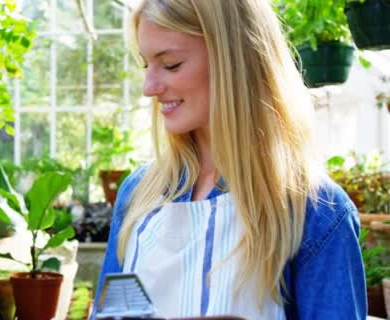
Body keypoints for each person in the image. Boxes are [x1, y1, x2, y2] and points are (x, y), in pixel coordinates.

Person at [93, 0, 366, 319]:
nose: (149, 88)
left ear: (233, 61)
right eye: (145, 65)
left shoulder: (315, 211)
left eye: (171, 65)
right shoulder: (139, 194)